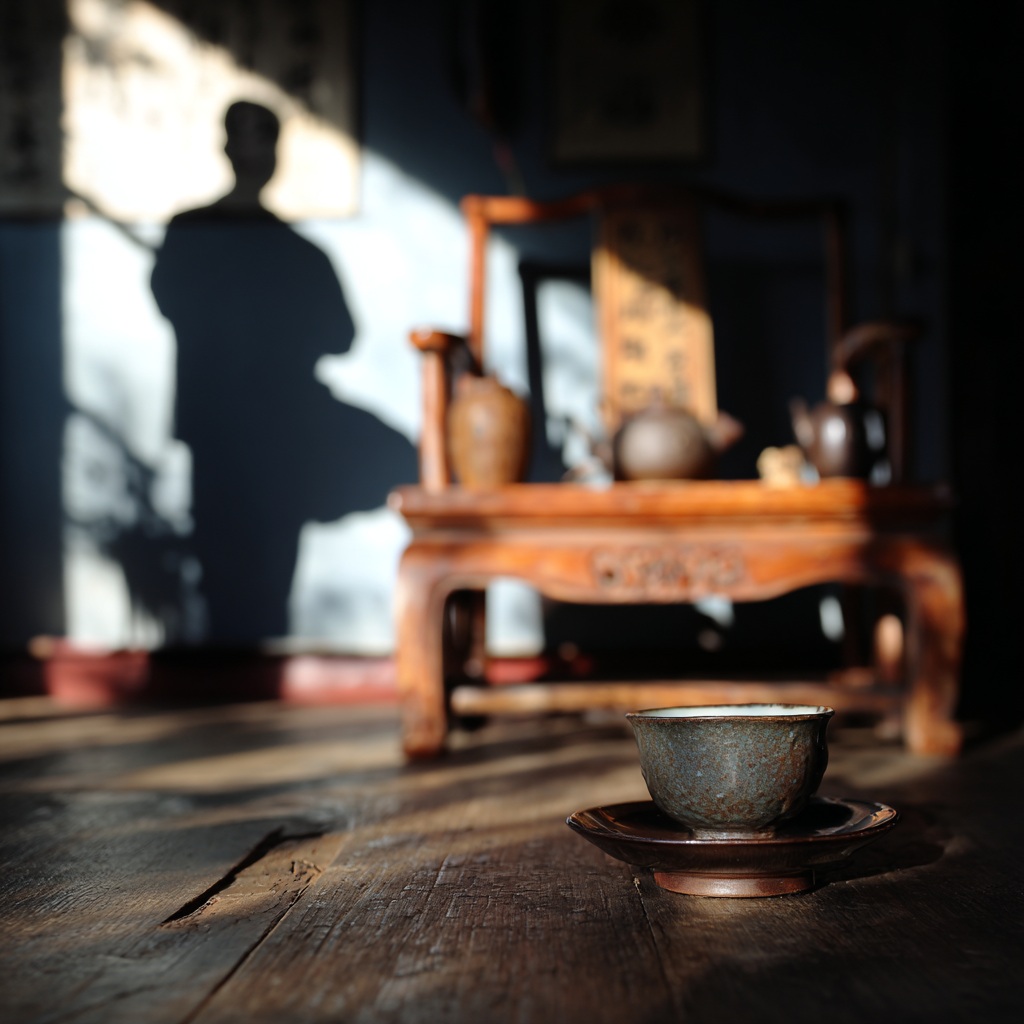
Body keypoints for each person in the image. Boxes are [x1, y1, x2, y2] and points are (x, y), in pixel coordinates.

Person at [151, 101, 413, 645]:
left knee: (268, 558)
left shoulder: (297, 252)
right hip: (220, 425)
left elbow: (340, 335)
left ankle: (257, 667)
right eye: (245, 141)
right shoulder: (193, 234)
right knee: (223, 555)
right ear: (225, 147)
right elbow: (172, 301)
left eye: (262, 142)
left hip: (276, 426)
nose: (253, 155)